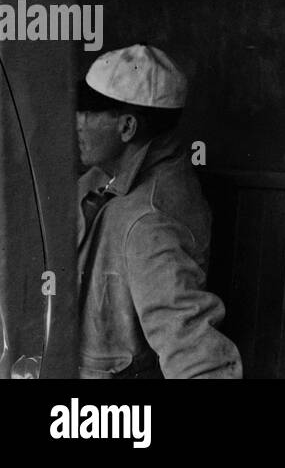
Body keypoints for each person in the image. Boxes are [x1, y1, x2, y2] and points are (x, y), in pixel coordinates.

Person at [76, 45, 242, 379]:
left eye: (89, 113)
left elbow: (193, 348)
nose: (78, 123)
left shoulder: (150, 219)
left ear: (127, 127)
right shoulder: (103, 177)